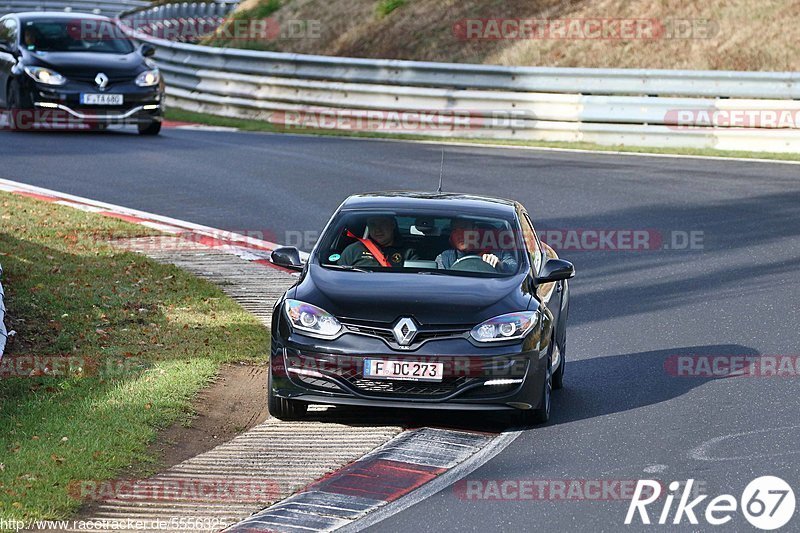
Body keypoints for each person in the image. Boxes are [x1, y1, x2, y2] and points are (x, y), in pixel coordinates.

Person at [436, 218, 518, 273]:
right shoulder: (445, 258)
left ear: (475, 231)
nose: (459, 235)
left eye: (464, 229)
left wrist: (500, 265)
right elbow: (439, 282)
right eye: (455, 231)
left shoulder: (499, 252)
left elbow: (515, 269)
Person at [338, 215, 418, 268]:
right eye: (373, 224)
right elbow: (338, 277)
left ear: (392, 225)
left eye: (382, 224)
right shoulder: (353, 250)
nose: (377, 229)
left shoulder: (408, 252)